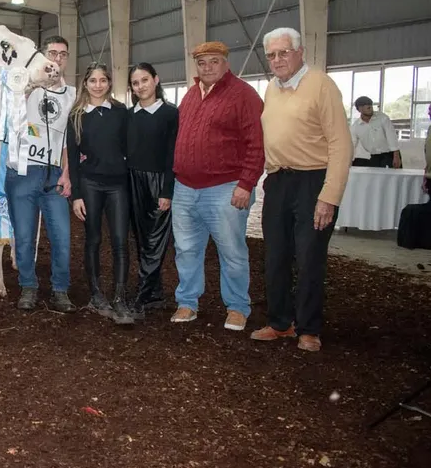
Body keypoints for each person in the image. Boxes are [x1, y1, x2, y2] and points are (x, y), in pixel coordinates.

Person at [251, 28, 352, 353]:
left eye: (283, 53)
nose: (277, 60)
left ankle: (309, 328)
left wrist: (329, 196)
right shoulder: (272, 88)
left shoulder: (322, 86)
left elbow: (340, 143)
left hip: (313, 181)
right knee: (276, 256)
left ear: (300, 52)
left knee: (309, 258)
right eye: (271, 55)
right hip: (279, 181)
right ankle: (280, 323)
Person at [170, 41, 264, 330]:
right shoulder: (190, 95)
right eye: (202, 62)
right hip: (184, 187)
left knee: (231, 250)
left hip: (225, 187)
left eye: (214, 61)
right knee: (186, 249)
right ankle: (187, 302)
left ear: (226, 62)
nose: (207, 67)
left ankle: (237, 306)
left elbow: (257, 144)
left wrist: (246, 184)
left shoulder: (244, 95)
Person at [6, 36, 75, 314]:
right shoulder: (25, 86)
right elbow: (8, 114)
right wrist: (29, 85)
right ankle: (28, 286)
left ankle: (60, 289)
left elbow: (72, 140)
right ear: (43, 56)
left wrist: (68, 173)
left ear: (67, 59)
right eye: (52, 53)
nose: (57, 58)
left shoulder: (72, 95)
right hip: (22, 172)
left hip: (55, 174)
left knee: (62, 236)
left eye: (62, 54)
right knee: (23, 236)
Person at [66, 63, 131, 323]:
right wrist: (76, 195)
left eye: (102, 80)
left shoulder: (120, 112)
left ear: (109, 83)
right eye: (92, 80)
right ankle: (96, 295)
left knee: (120, 242)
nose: (98, 85)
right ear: (85, 83)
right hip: (90, 184)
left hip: (118, 185)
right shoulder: (77, 115)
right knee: (93, 240)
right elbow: (72, 156)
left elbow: (130, 146)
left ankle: (119, 298)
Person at [126, 63, 178, 316]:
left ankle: (143, 295)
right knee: (142, 238)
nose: (140, 87)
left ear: (156, 80)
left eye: (144, 80)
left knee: (155, 240)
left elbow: (172, 156)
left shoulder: (170, 114)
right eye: (135, 83)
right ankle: (154, 292)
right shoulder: (129, 115)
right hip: (133, 181)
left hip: (158, 182)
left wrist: (167, 190)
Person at [350, 96, 402, 168]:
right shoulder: (356, 126)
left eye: (371, 106)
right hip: (374, 157)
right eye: (367, 107)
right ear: (360, 109)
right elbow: (352, 144)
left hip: (390, 155)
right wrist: (349, 160)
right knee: (376, 178)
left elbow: (391, 136)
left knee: (394, 177)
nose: (370, 108)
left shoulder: (383, 118)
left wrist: (396, 156)